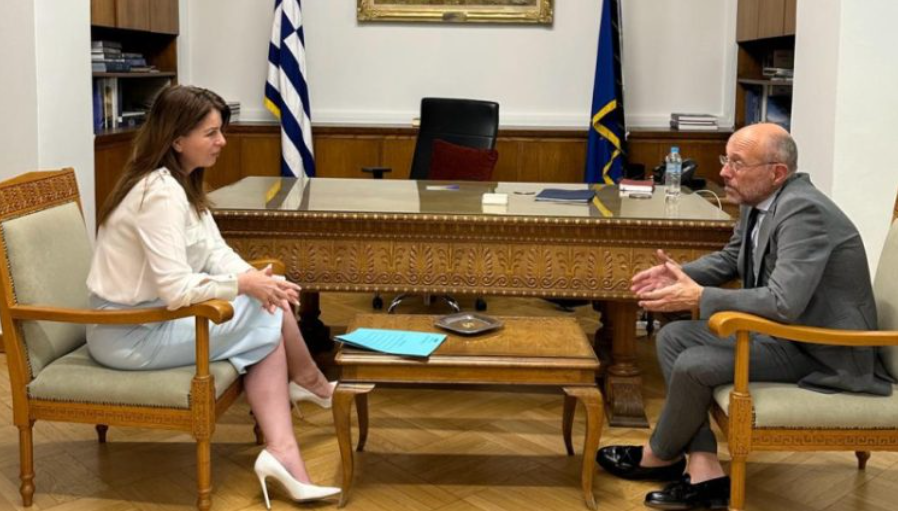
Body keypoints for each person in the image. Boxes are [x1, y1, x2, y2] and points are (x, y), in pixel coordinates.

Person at [596, 123, 894, 510]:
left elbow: (783, 302)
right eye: (726, 159)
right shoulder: (759, 199)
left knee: (694, 364)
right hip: (786, 334)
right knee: (672, 337)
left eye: (737, 163)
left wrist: (701, 297)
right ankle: (703, 465)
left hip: (822, 347)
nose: (724, 171)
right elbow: (731, 258)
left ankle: (660, 453)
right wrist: (681, 275)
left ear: (777, 172)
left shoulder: (804, 211)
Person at [86, 85, 339, 508]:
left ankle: (287, 439)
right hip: (127, 334)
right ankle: (307, 389)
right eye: (211, 133)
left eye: (221, 131)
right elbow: (176, 289)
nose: (222, 141)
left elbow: (214, 252)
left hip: (155, 321)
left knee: (266, 300)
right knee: (265, 312)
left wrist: (256, 279)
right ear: (176, 139)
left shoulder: (179, 184)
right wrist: (246, 286)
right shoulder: (158, 194)